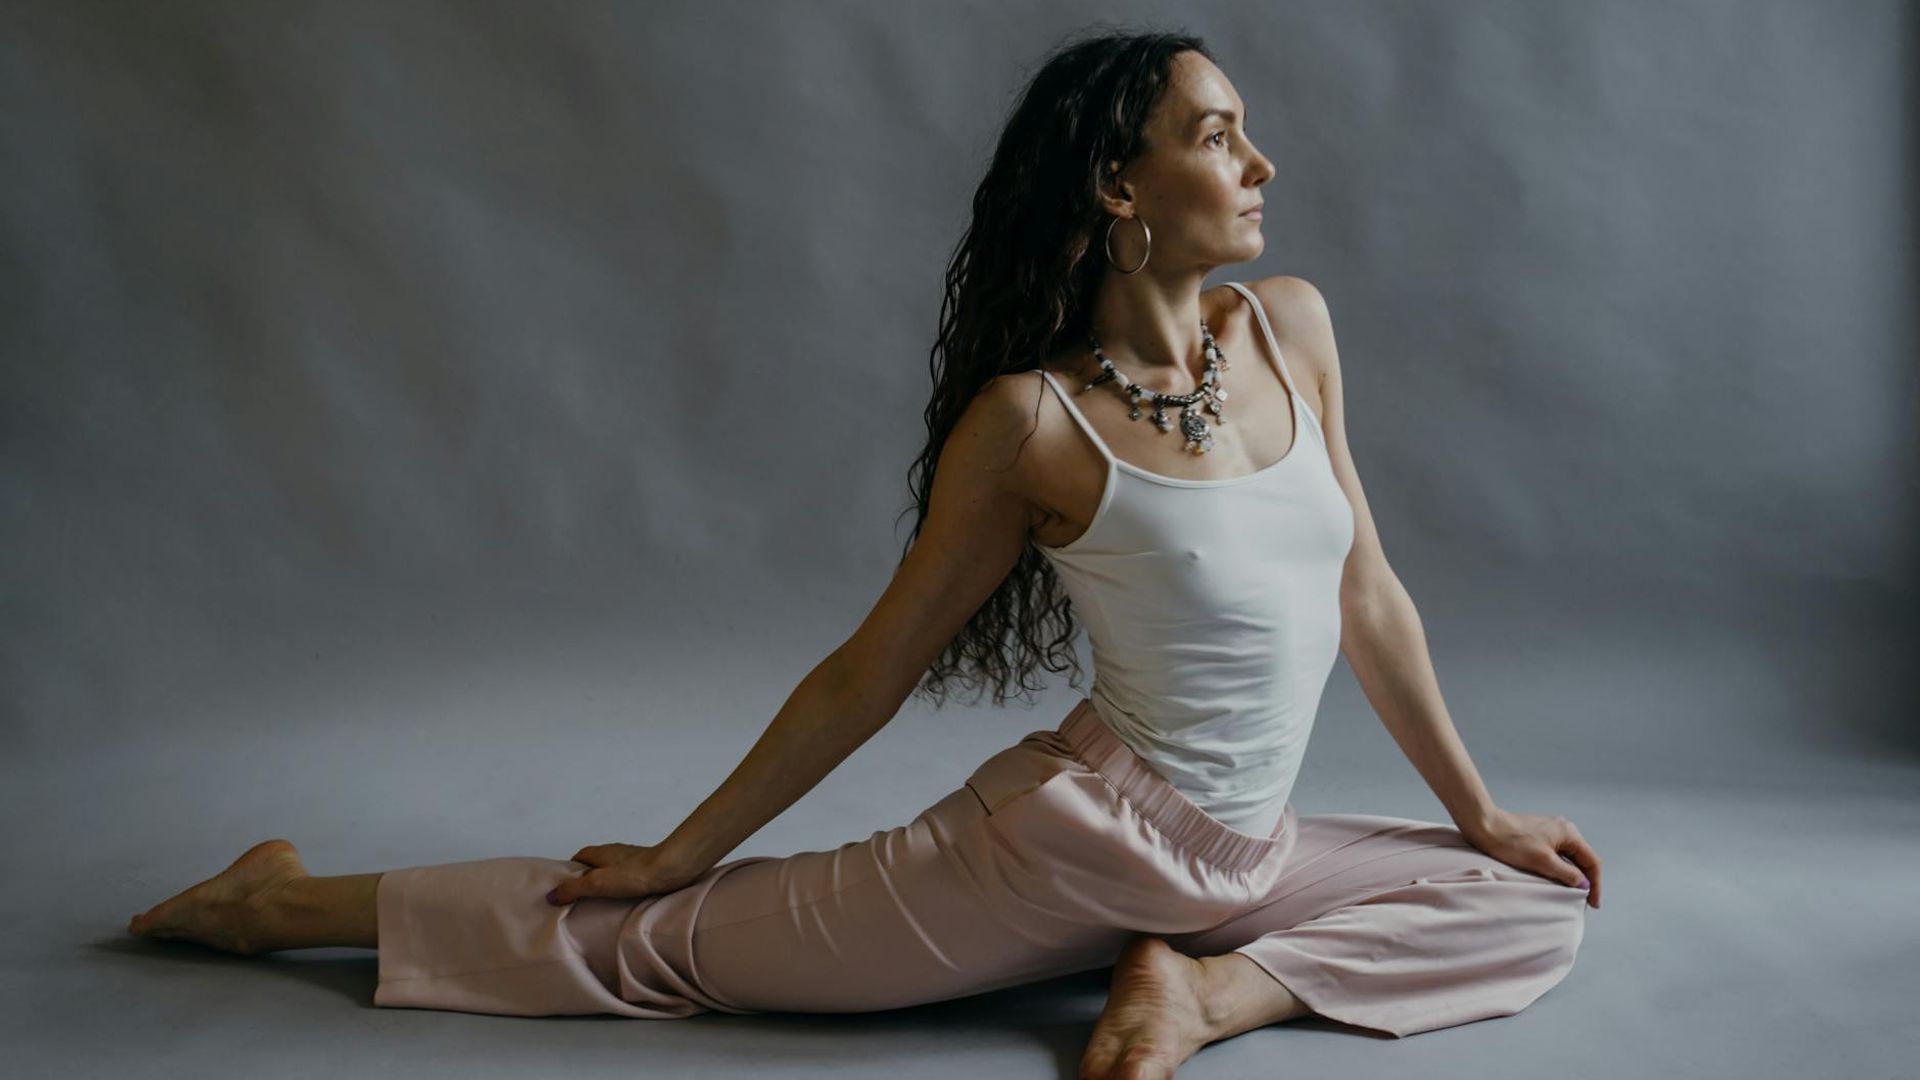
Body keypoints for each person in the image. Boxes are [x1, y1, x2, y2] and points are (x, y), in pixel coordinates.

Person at [128, 29, 1601, 1080]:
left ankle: (1204, 996)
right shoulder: (1034, 425)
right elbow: (871, 669)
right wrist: (678, 850)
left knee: (1533, 894)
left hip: (1247, 859)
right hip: (1071, 849)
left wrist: (1476, 813)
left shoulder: (1293, 326)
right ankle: (276, 904)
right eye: (1215, 133)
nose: (1260, 157)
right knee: (661, 950)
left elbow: (1368, 592)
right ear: (1119, 185)